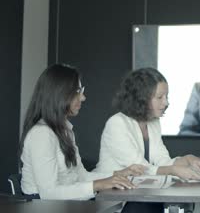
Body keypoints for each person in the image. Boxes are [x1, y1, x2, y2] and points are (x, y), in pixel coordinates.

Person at [19, 64, 145, 201]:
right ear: (59, 94)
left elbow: (81, 176)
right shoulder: (41, 134)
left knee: (139, 206)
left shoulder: (65, 131)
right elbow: (49, 193)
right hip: (45, 207)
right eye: (78, 91)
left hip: (68, 204)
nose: (83, 97)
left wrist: (118, 175)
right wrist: (100, 185)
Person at [95, 68, 200, 181]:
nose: (166, 102)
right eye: (160, 97)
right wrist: (173, 170)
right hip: (111, 194)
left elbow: (162, 161)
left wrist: (188, 159)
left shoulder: (153, 121)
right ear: (141, 98)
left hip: (135, 190)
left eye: (167, 96)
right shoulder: (117, 123)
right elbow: (139, 168)